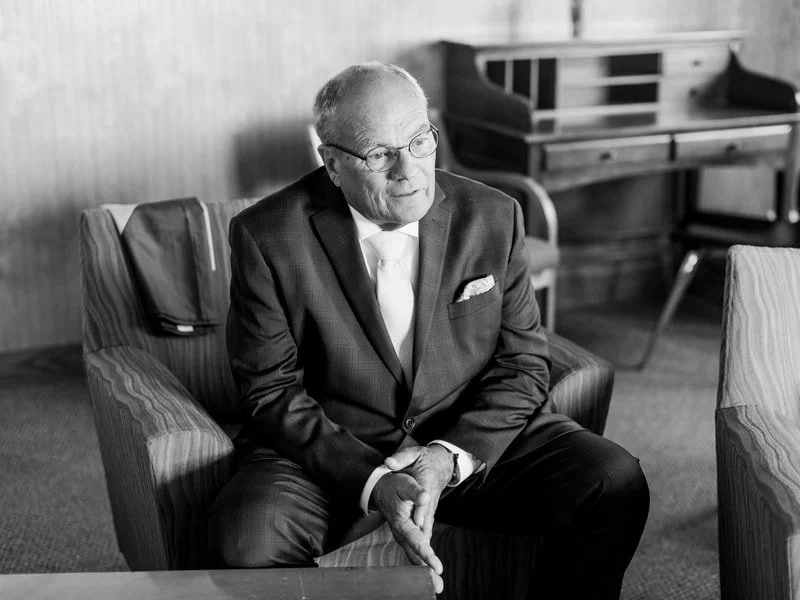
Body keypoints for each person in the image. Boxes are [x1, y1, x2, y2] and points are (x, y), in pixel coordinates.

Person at [209, 62, 649, 599]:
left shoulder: (494, 216)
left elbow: (523, 364)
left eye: (420, 141)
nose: (409, 170)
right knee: (247, 539)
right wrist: (372, 478)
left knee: (612, 481)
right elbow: (269, 390)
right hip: (331, 449)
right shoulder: (267, 236)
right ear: (332, 163)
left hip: (464, 435)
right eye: (379, 154)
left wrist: (447, 456)